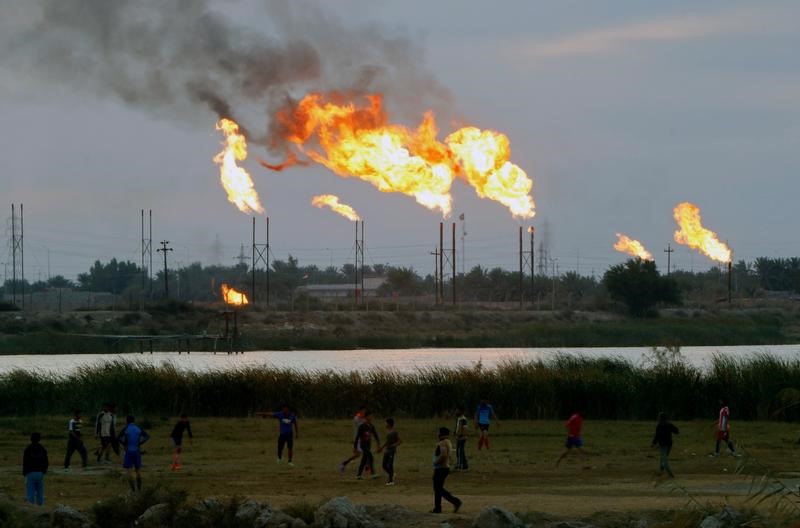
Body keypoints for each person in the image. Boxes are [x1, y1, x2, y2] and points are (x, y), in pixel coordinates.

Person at [431, 427, 462, 514]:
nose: (437, 434)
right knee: (438, 488)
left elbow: (444, 455)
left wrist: (436, 462)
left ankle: (453, 502)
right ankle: (439, 507)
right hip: (443, 468)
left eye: (438, 432)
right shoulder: (448, 442)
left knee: (438, 488)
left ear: (441, 433)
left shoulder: (442, 443)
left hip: (441, 468)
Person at [118, 415, 150, 492]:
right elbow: (147, 436)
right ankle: (139, 489)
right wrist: (140, 443)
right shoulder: (138, 428)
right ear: (134, 421)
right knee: (138, 471)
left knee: (129, 472)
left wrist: (124, 444)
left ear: (126, 421)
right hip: (137, 451)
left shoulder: (126, 429)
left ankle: (133, 490)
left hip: (128, 452)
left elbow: (119, 438)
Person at [339, 405, 367, 475]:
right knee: (357, 455)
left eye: (365, 411)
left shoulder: (364, 418)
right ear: (360, 411)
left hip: (364, 439)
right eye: (363, 411)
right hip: (358, 439)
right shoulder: (357, 419)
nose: (364, 412)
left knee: (366, 453)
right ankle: (343, 464)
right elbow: (362, 427)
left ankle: (368, 469)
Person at [23, 432, 49, 506]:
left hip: (30, 472)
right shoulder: (42, 448)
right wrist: (44, 470)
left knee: (30, 493)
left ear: (31, 439)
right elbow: (46, 461)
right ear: (39, 439)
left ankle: (31, 508)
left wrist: (25, 472)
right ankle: (40, 508)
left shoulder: (28, 449)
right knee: (40, 492)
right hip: (40, 472)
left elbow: (25, 462)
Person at [651, 412, 679, 478]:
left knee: (664, 459)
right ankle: (661, 471)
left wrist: (653, 443)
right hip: (669, 444)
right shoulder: (669, 424)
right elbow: (677, 431)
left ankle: (670, 474)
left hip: (663, 445)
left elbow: (657, 435)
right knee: (663, 457)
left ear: (660, 418)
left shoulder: (659, 425)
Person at [355, 411, 379, 480]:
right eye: (370, 416)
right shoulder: (362, 426)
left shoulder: (371, 426)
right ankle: (373, 474)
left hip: (369, 444)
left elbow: (375, 435)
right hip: (363, 444)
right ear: (366, 417)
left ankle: (358, 475)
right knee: (370, 457)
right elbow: (357, 437)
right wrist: (355, 447)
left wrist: (378, 443)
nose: (371, 417)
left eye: (372, 416)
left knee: (364, 459)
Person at [377, 418, 401, 485]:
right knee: (384, 465)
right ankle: (392, 474)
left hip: (391, 451)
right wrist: (381, 448)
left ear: (389, 424)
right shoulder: (388, 432)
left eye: (386, 423)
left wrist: (394, 445)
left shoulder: (394, 432)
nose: (385, 424)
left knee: (390, 465)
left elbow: (400, 441)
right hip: (387, 450)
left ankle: (391, 481)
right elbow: (387, 442)